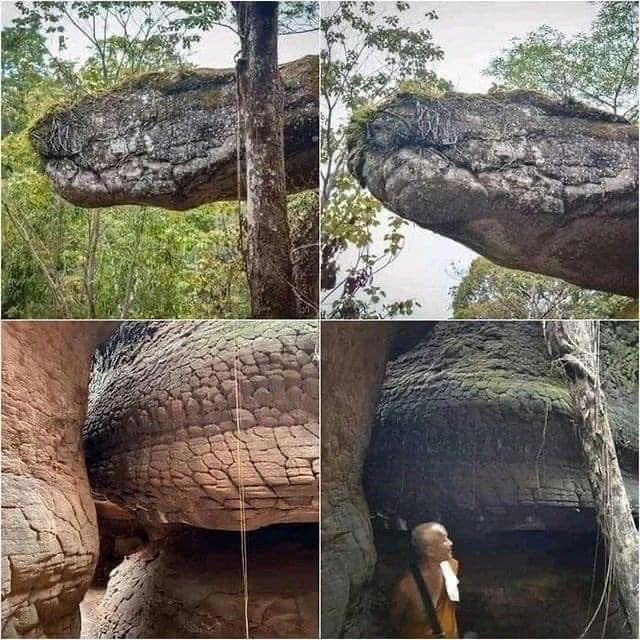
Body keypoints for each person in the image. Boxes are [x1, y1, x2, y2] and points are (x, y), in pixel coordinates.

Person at [391, 522, 459, 638]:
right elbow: (395, 621)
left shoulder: (452, 566)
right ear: (430, 551)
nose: (451, 543)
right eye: (444, 540)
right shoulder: (406, 587)